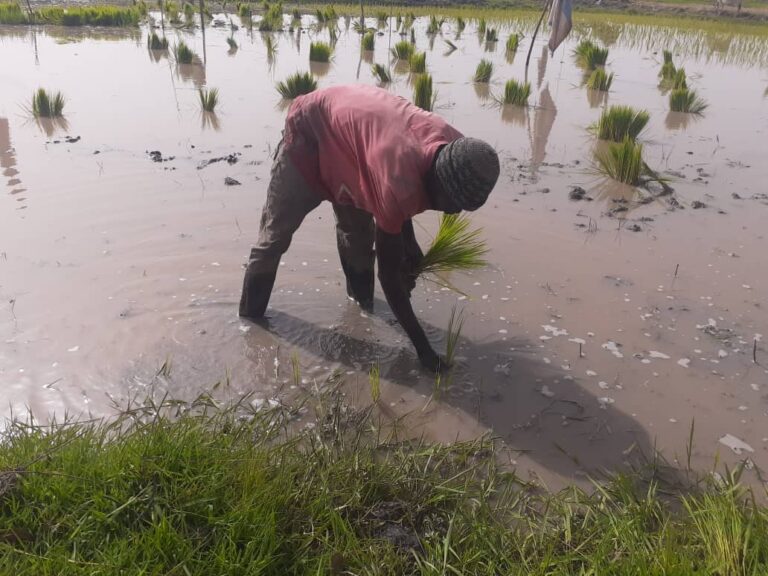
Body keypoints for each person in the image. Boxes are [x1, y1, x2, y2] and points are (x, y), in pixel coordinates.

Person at [239, 84, 500, 372]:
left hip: (355, 149)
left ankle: (360, 310)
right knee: (273, 240)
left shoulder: (458, 149)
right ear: (437, 182)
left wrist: (409, 246)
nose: (453, 211)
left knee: (358, 240)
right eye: (451, 203)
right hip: (310, 132)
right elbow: (389, 278)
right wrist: (424, 351)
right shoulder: (397, 180)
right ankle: (249, 327)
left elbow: (407, 190)